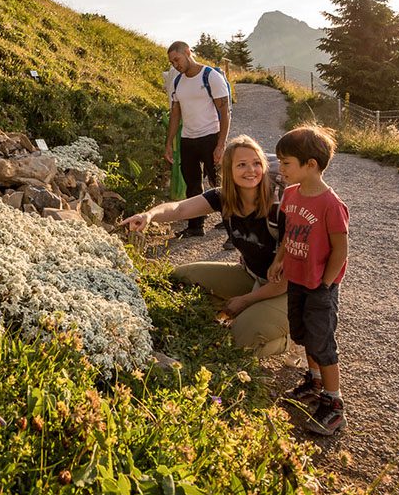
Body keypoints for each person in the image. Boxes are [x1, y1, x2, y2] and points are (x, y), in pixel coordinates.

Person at [122, 135, 289, 357]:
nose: (251, 170)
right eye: (241, 165)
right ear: (228, 170)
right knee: (182, 276)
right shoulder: (224, 197)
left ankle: (290, 338)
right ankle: (253, 313)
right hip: (252, 275)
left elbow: (287, 279)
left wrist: (244, 301)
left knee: (241, 340)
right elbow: (180, 209)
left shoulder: (281, 205)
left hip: (288, 288)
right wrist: (148, 215)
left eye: (257, 163)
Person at [268, 125, 350, 436]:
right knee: (302, 332)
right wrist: (279, 261)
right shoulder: (290, 194)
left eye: (286, 163)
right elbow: (289, 234)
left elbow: (341, 249)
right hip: (298, 279)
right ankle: (315, 382)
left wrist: (326, 284)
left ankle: (334, 404)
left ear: (310, 165)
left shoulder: (331, 205)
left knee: (322, 341)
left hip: (320, 285)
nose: (281, 168)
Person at [164, 42, 230, 237]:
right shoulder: (178, 82)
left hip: (210, 136)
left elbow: (225, 113)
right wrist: (169, 143)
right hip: (188, 139)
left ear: (187, 52)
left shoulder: (211, 76)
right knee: (192, 184)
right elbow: (175, 114)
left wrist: (221, 144)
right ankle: (195, 226)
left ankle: (231, 229)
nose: (175, 64)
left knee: (218, 182)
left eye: (177, 59)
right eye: (172, 62)